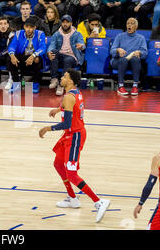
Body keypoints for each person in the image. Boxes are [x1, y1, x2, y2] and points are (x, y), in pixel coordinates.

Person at [38, 68, 111, 223]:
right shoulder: (74, 92)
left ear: (70, 80)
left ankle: (99, 202)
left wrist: (47, 128)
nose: (62, 78)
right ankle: (72, 197)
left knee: (71, 174)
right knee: (58, 164)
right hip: (70, 134)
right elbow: (72, 109)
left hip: (75, 136)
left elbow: (67, 123)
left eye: (64, 76)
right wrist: (58, 109)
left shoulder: (68, 98)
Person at [47, 15, 85, 95]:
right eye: (63, 22)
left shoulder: (77, 34)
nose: (65, 24)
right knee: (53, 51)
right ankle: (54, 79)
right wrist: (49, 52)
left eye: (67, 22)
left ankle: (61, 84)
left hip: (72, 57)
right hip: (61, 56)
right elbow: (52, 45)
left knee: (68, 59)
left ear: (71, 23)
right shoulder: (57, 34)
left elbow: (82, 44)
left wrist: (81, 46)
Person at [7, 17, 46, 94]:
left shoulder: (40, 34)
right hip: (22, 56)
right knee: (10, 59)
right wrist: (12, 56)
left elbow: (43, 48)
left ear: (35, 27)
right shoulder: (18, 33)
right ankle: (16, 83)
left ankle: (35, 83)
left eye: (31, 27)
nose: (28, 29)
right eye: (27, 26)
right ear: (24, 26)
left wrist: (33, 56)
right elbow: (12, 46)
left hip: (34, 56)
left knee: (37, 59)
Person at [110, 17, 147, 96]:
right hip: (119, 61)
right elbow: (112, 51)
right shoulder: (120, 36)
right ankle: (120, 86)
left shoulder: (141, 38)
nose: (129, 25)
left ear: (136, 27)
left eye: (132, 23)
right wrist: (118, 50)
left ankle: (135, 86)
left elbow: (145, 53)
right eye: (128, 23)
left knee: (135, 59)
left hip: (133, 62)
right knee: (123, 60)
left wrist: (139, 52)